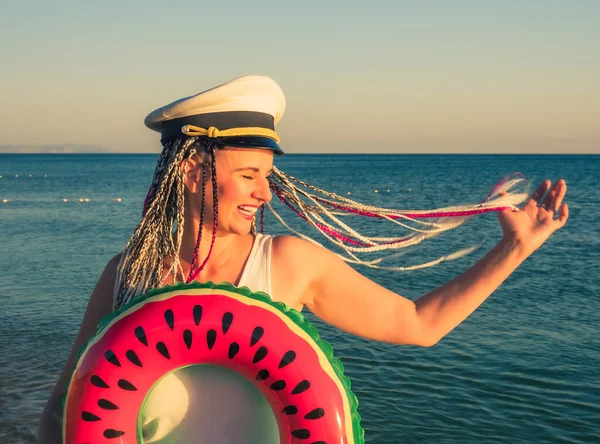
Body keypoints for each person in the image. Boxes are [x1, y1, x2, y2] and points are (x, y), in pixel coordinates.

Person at [37, 75, 568, 443]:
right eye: (249, 175)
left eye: (267, 176)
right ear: (192, 172)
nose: (264, 194)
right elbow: (68, 400)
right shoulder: (129, 272)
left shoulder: (289, 263)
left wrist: (514, 248)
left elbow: (417, 324)